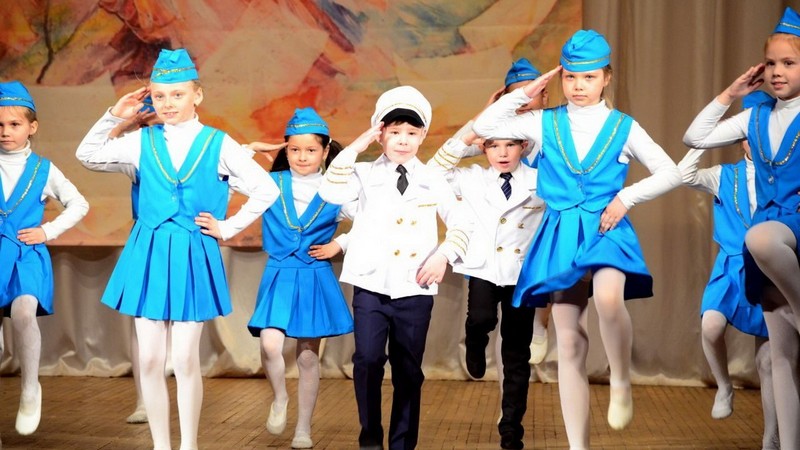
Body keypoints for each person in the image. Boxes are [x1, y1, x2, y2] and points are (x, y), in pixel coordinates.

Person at [474, 30, 681, 450]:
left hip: (606, 226)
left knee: (607, 297)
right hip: (561, 233)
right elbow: (484, 127)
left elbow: (670, 171)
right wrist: (526, 92)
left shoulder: (623, 126)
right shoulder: (543, 122)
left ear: (607, 77)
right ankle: (578, 446)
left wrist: (625, 198)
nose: (578, 86)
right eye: (570, 77)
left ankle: (621, 379)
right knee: (568, 341)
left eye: (588, 77)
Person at [75, 48, 278, 450]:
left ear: (197, 95)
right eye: (160, 95)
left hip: (192, 252)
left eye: (178, 94)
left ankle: (188, 445)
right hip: (148, 251)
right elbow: (88, 155)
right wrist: (115, 116)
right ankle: (160, 445)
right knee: (150, 359)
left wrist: (227, 227)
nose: (168, 103)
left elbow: (266, 189)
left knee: (184, 358)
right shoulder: (141, 141)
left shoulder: (218, 143)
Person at [319, 86, 471, 450]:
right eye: (395, 131)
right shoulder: (361, 173)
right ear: (380, 132)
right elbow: (329, 192)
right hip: (371, 284)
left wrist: (444, 255)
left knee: (408, 369)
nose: (403, 140)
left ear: (422, 135)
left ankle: (403, 444)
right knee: (367, 360)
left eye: (412, 132)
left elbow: (463, 223)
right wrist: (356, 146)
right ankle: (370, 438)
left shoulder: (434, 177)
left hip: (415, 285)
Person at [683, 8, 800, 448]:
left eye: (789, 63)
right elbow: (694, 137)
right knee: (781, 356)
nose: (777, 71)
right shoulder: (754, 117)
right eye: (771, 63)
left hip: (790, 229)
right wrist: (731, 93)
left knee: (759, 236)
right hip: (770, 240)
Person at [428, 129, 544, 449]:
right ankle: (475, 341)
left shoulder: (540, 179)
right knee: (481, 319)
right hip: (484, 267)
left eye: (510, 145)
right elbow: (434, 170)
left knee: (517, 352)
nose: (502, 153)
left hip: (522, 272)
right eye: (493, 146)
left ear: (523, 146)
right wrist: (469, 143)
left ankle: (511, 427)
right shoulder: (471, 177)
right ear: (484, 148)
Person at [246, 107, 354, 449]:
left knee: (307, 356)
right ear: (285, 149)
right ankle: (280, 396)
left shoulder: (336, 187)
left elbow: (371, 220)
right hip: (279, 272)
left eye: (310, 149)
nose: (302, 156)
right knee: (270, 343)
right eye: (294, 149)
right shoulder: (269, 183)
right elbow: (225, 170)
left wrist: (339, 243)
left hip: (314, 275)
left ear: (325, 150)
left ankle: (303, 428)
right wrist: (250, 149)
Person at [0, 80, 90, 439]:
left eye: (14, 124)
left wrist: (47, 231)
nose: (5, 131)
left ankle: (30, 388)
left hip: (26, 254)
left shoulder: (43, 169)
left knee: (24, 312)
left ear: (32, 127)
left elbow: (79, 203)